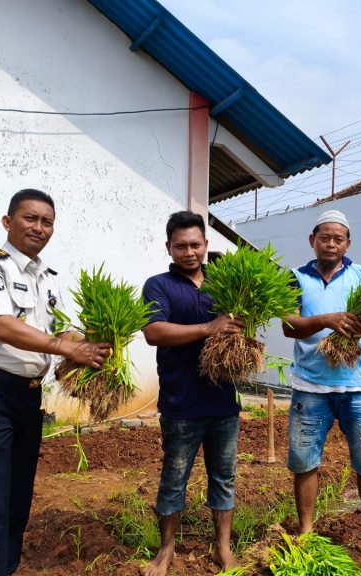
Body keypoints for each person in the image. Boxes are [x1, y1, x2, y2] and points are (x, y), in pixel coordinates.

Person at [0, 189, 112, 576]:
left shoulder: (47, 279)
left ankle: (3, 568)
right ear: (8, 222)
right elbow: (0, 324)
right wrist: (64, 346)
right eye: (30, 218)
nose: (39, 227)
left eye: (47, 222)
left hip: (27, 397)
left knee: (17, 497)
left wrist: (94, 342)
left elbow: (58, 332)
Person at [281, 209, 361, 570]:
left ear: (348, 243)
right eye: (325, 237)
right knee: (305, 463)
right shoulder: (295, 278)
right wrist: (325, 320)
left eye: (338, 238)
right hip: (310, 388)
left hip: (360, 389)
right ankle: (306, 532)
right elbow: (289, 326)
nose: (331, 243)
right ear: (312, 241)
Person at [141, 211, 244, 576]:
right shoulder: (158, 285)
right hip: (181, 403)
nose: (189, 252)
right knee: (174, 478)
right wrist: (209, 327)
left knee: (224, 477)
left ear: (206, 245)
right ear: (169, 247)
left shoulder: (224, 281)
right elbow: (154, 332)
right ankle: (165, 550)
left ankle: (222, 548)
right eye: (181, 245)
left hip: (224, 403)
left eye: (195, 244)